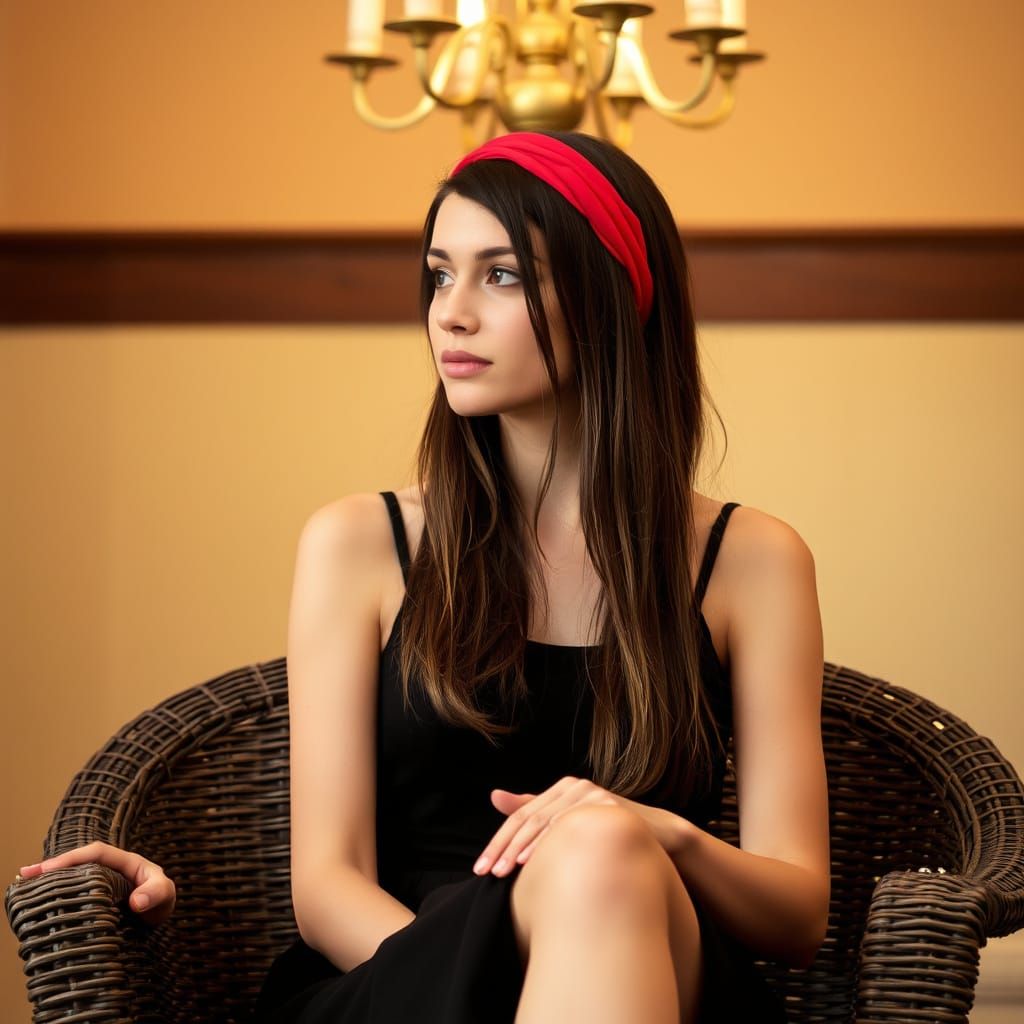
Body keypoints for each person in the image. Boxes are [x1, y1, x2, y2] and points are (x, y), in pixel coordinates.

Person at [17, 130, 829, 1023]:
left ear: (611, 301)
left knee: (604, 849)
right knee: (600, 847)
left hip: (662, 971)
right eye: (440, 276)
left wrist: (660, 832)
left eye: (503, 275)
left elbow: (797, 915)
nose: (452, 314)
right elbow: (328, 886)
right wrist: (496, 984)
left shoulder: (753, 560)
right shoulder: (359, 543)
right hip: (400, 982)